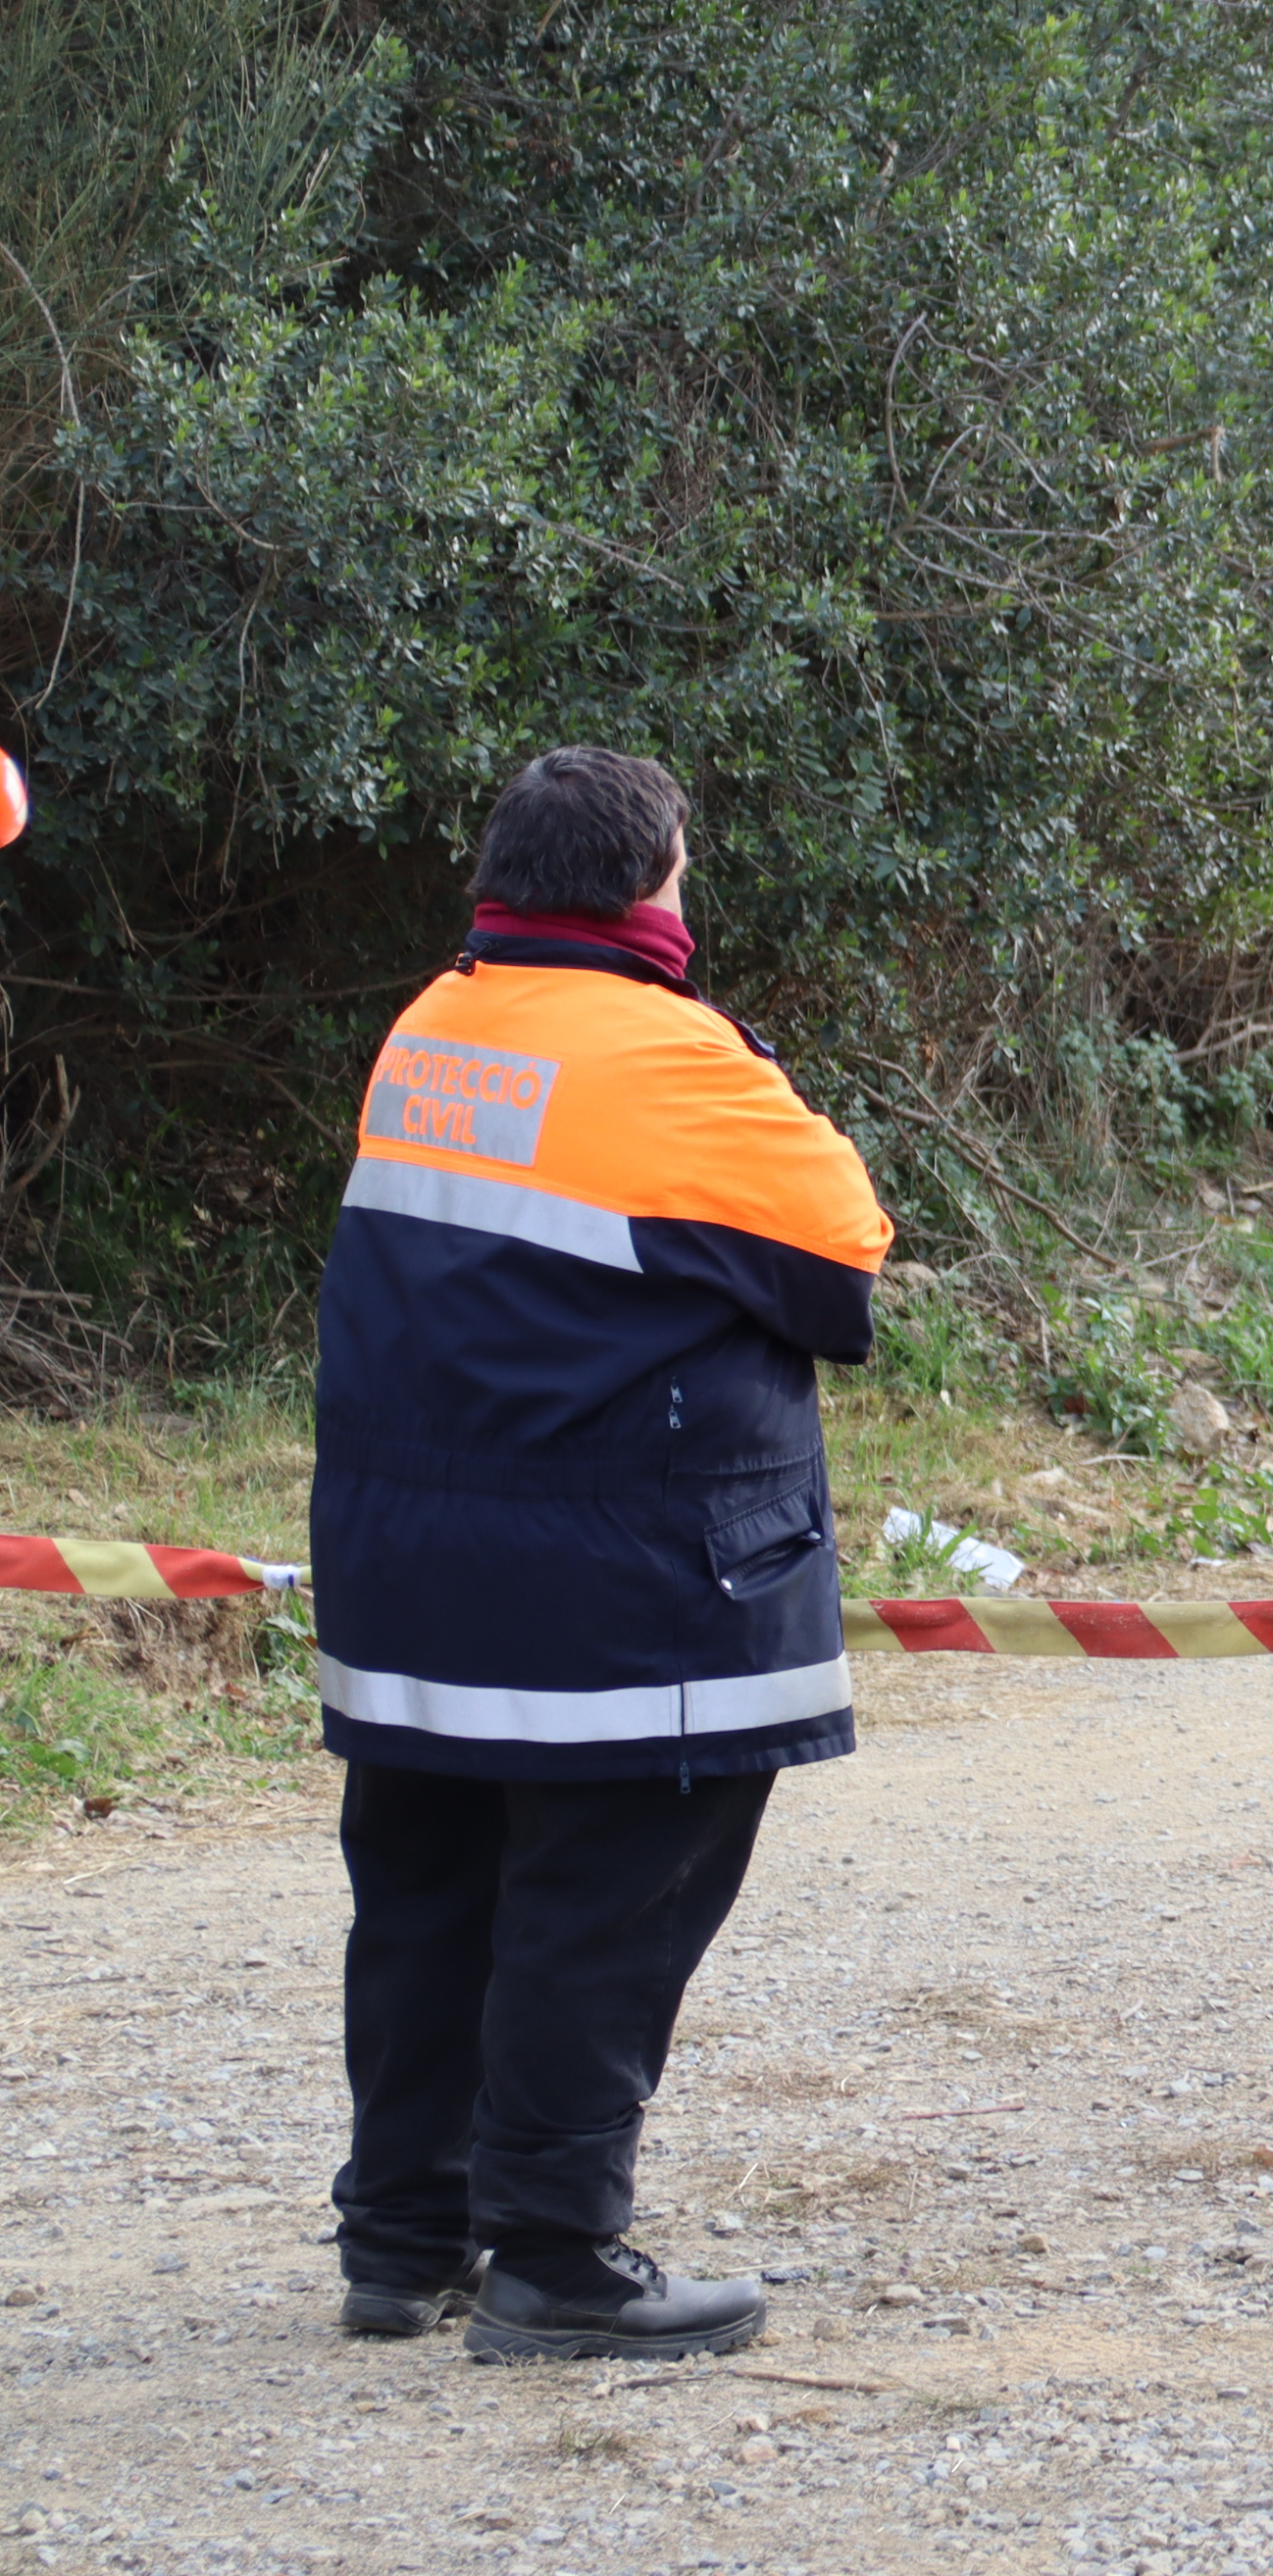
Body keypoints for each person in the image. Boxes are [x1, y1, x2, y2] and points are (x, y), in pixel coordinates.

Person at [312, 745, 893, 2360]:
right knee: (600, 1904)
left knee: (425, 1898)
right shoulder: (671, 1057)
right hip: (617, 1596)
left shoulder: (426, 1029)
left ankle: (402, 2237)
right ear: (653, 889)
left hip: (408, 1579)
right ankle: (558, 2255)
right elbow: (841, 1261)